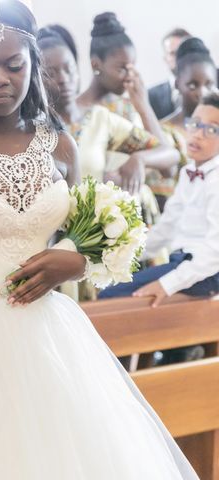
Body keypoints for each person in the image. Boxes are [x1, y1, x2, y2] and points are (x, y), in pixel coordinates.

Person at [0, 1, 198, 478]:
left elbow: (81, 233)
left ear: (33, 66)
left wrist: (75, 260)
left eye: (14, 65)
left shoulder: (60, 145)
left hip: (48, 331)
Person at [99, 92, 219, 364]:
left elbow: (214, 251)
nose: (198, 134)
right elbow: (165, 229)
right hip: (186, 263)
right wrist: (118, 258)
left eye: (211, 129)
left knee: (111, 300)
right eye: (195, 123)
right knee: (122, 292)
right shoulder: (190, 172)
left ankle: (124, 377)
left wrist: (167, 284)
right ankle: (163, 364)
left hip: (207, 270)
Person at [78, 12, 179, 225]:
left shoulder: (128, 108)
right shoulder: (79, 112)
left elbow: (168, 166)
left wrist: (143, 106)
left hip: (135, 219)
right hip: (90, 221)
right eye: (122, 68)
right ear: (96, 65)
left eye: (133, 66)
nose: (130, 76)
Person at [38, 26, 167, 192]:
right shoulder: (33, 129)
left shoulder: (99, 118)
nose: (63, 79)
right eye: (51, 73)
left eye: (69, 69)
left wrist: (138, 160)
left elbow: (166, 156)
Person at [157, 37, 217, 206]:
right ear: (177, 84)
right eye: (193, 85)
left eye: (209, 84)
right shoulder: (164, 133)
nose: (203, 93)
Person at [149, 28, 191, 120]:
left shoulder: (212, 89)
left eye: (183, 51)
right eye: (173, 53)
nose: (179, 58)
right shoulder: (149, 96)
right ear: (165, 58)